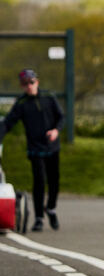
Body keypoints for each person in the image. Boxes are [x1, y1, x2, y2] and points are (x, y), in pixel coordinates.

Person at [0, 69, 64, 232]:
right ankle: (38, 218)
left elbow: (61, 117)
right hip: (35, 148)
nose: (29, 86)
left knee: (54, 181)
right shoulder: (21, 104)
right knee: (39, 181)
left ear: (37, 82)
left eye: (31, 82)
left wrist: (56, 131)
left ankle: (50, 208)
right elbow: (8, 123)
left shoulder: (49, 98)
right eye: (25, 84)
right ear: (22, 86)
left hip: (52, 146)